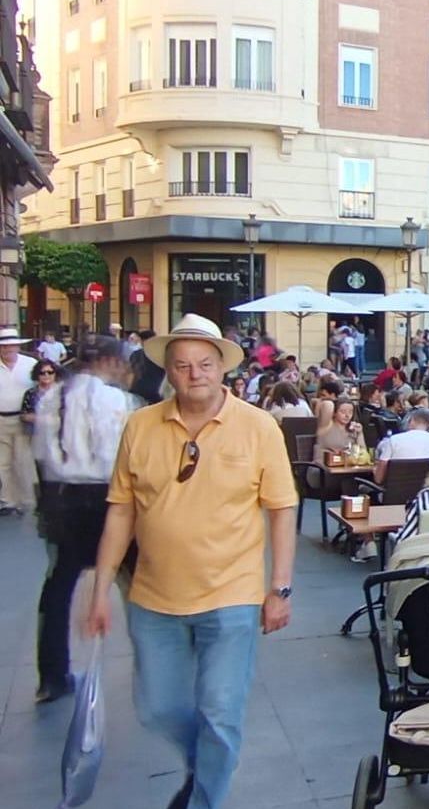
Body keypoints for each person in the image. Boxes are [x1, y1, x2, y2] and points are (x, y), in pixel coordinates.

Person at [86, 314, 298, 809]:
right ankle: (208, 760)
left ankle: (202, 797)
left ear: (222, 367)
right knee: (157, 708)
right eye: (182, 366)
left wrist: (280, 588)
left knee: (221, 711)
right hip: (153, 595)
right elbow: (122, 511)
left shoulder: (258, 426)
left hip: (232, 594)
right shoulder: (140, 426)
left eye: (205, 364)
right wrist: (99, 591)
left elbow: (282, 508)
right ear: (169, 371)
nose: (194, 373)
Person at [33, 337, 139, 703]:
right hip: (106, 494)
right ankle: (153, 660)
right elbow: (119, 453)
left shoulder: (53, 396)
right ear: (109, 361)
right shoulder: (113, 400)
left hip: (61, 495)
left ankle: (52, 674)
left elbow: (43, 453)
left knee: (59, 583)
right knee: (137, 580)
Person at [0, 327, 38, 516]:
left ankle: (27, 500)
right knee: (2, 463)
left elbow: (40, 388)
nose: (8, 350)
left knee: (23, 460)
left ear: (17, 346)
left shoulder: (30, 364)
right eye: (4, 347)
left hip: (22, 418)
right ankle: (8, 501)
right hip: (0, 418)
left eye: (11, 346)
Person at [374, 408, 429, 483]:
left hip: (397, 493)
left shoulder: (394, 440)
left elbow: (379, 479)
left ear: (411, 421)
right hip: (427, 492)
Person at [21, 357, 63, 430]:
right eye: (42, 373)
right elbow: (24, 415)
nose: (46, 375)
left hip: (58, 435)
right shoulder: (30, 393)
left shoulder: (63, 392)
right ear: (37, 374)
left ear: (55, 373)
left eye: (50, 372)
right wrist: (40, 418)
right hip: (34, 435)